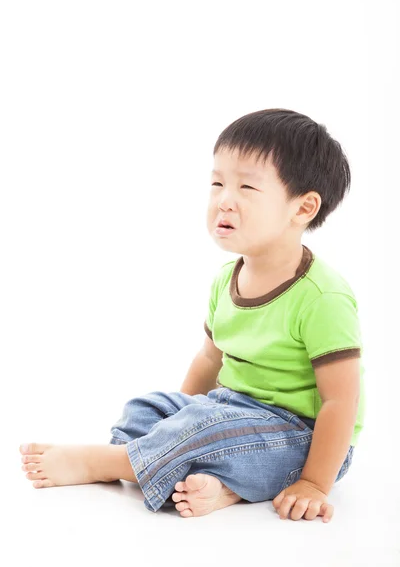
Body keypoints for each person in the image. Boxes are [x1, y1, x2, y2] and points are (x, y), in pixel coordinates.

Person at [19, 108, 364, 522]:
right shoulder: (225, 280)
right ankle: (214, 485)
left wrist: (314, 483)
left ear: (303, 208)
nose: (224, 199)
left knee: (204, 428)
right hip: (230, 414)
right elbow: (209, 361)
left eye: (247, 187)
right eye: (217, 183)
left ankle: (107, 463)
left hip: (300, 439)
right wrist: (182, 412)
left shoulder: (322, 297)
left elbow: (340, 402)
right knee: (145, 410)